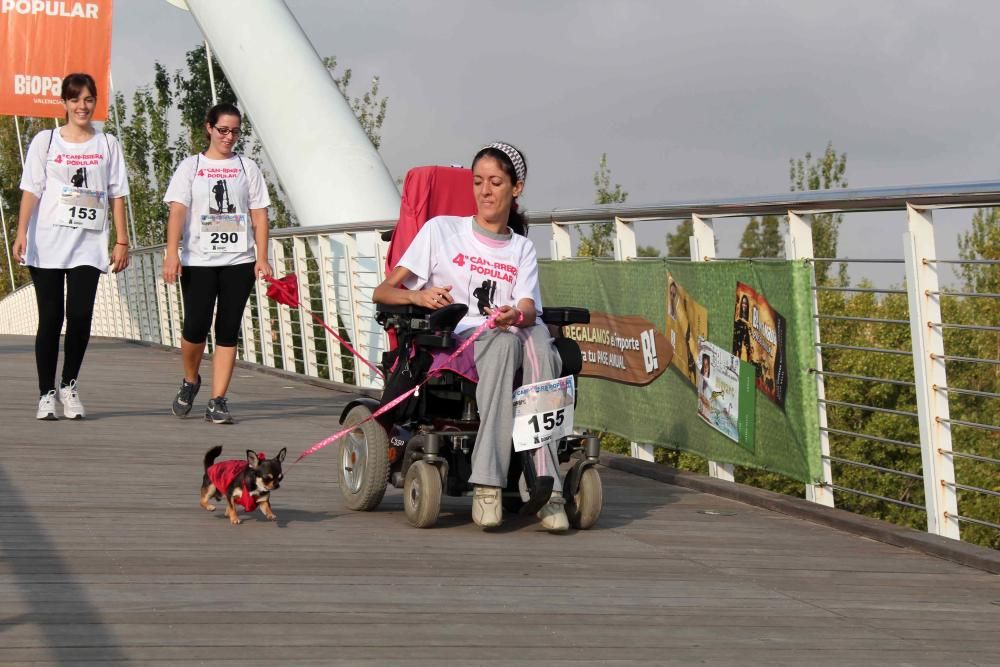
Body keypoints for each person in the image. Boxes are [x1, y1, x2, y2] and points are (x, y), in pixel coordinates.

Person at [373, 142, 570, 533]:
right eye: (478, 181)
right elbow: (384, 292)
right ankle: (493, 483)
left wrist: (517, 313)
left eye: (495, 182)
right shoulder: (441, 230)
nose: (484, 191)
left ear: (516, 188)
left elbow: (530, 307)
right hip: (455, 340)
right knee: (512, 344)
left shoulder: (522, 248)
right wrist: (418, 296)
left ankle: (543, 484)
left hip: (508, 336)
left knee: (538, 343)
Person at [12, 73, 130, 420]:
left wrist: (121, 239)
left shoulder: (107, 145)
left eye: (88, 99)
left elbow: (117, 193)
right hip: (47, 242)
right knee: (51, 317)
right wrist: (21, 232)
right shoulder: (45, 142)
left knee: (79, 316)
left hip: (87, 245)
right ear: (64, 103)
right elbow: (31, 189)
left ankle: (69, 385)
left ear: (95, 103)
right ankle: (46, 393)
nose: (82, 106)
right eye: (75, 99)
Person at [162, 102, 272, 424]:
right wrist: (172, 253)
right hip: (198, 260)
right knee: (195, 327)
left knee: (228, 329)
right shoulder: (190, 167)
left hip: (239, 260)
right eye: (223, 130)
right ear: (209, 128)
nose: (229, 137)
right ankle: (191, 380)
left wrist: (262, 258)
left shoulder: (247, 168)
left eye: (235, 131)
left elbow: (259, 215)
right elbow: (178, 211)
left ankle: (217, 400)